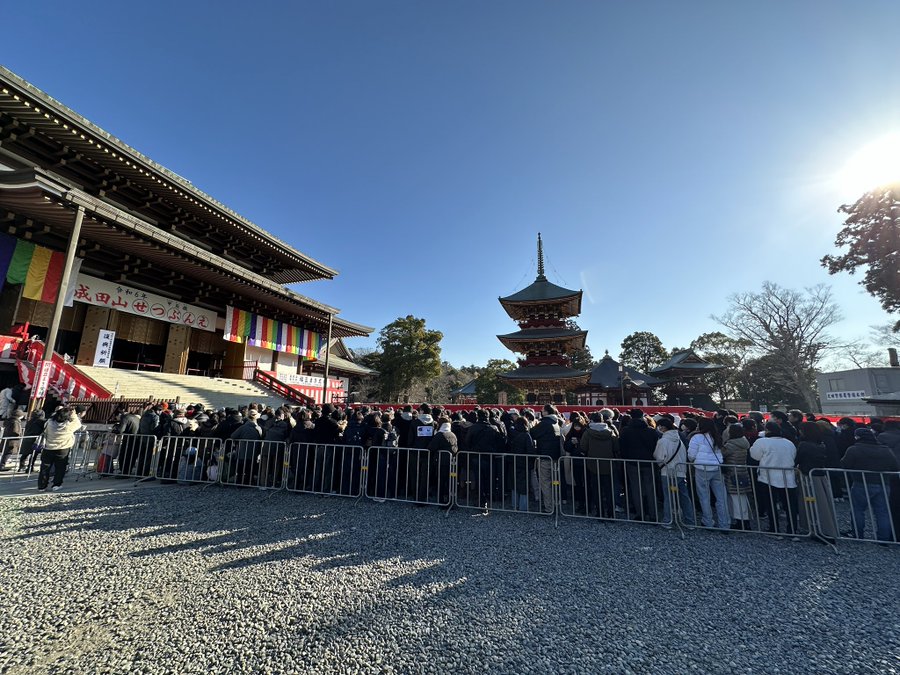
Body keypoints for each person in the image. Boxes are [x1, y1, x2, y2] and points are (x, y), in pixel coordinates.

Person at [840, 427, 899, 542]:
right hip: (883, 483)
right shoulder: (885, 450)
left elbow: (845, 464)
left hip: (861, 482)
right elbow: (894, 467)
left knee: (858, 509)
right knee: (882, 511)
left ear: (857, 437)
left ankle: (858, 534)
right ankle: (884, 537)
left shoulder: (854, 449)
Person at [750, 422, 799, 535]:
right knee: (789, 505)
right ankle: (792, 529)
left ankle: (774, 527)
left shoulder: (762, 441)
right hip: (787, 476)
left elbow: (755, 456)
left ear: (767, 430)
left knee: (770, 503)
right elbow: (793, 455)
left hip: (768, 476)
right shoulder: (789, 443)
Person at [687, 418, 730, 530]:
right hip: (717, 467)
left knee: (704, 496)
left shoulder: (697, 437)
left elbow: (691, 455)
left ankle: (708, 521)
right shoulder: (717, 436)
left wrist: (693, 461)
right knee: (721, 497)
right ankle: (725, 523)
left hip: (702, 468)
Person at [653, 415, 695, 528]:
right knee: (684, 496)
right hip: (680, 471)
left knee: (669, 496)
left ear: (662, 427)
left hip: (667, 471)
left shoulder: (663, 441)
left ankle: (668, 519)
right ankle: (689, 520)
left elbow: (659, 457)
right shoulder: (679, 439)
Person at [619, 409, 660, 522]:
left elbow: (622, 447)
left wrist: (626, 458)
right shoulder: (651, 431)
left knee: (635, 488)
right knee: (650, 488)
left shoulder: (626, 431)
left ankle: (640, 514)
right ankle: (653, 514)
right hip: (648, 462)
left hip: (632, 462)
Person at [581, 412, 621, 519]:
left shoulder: (588, 432)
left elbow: (583, 447)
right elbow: (616, 447)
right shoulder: (610, 432)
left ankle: (600, 512)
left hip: (593, 463)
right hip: (608, 463)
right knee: (609, 489)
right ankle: (611, 513)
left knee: (596, 489)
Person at [37, 406, 82, 491]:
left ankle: (42, 486)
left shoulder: (49, 423)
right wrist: (73, 414)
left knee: (45, 467)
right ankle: (56, 484)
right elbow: (78, 423)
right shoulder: (68, 426)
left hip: (48, 447)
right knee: (60, 467)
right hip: (63, 448)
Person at [530, 405, 562, 513]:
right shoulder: (556, 422)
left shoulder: (544, 423)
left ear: (546, 412)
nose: (541, 412)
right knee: (555, 482)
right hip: (556, 457)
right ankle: (556, 503)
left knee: (545, 482)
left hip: (545, 456)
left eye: (542, 411)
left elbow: (532, 433)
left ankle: (549, 507)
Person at [722, 423, 752, 530]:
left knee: (734, 497)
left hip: (732, 472)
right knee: (742, 497)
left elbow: (722, 454)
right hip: (742, 471)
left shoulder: (730, 445)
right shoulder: (744, 442)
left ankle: (740, 521)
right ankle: (745, 519)